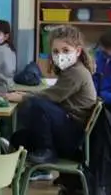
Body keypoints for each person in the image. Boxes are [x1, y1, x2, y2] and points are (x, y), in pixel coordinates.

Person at [5, 25, 97, 166]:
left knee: (38, 106)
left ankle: (47, 151)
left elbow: (51, 97)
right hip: (67, 128)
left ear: (78, 51)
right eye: (56, 51)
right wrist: (26, 94)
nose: (60, 55)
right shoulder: (70, 70)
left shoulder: (76, 72)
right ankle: (39, 170)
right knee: (19, 138)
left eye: (66, 50)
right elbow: (52, 94)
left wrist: (23, 97)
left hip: (73, 135)